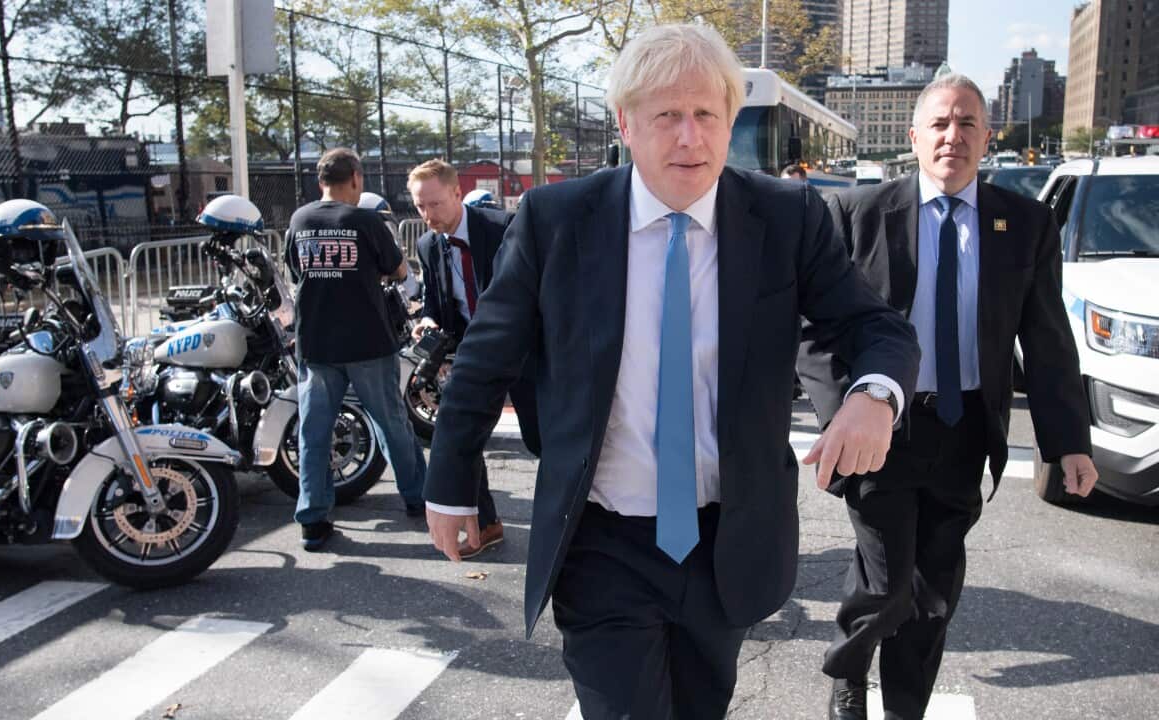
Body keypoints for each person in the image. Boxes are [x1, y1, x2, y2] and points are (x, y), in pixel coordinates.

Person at [422, 24, 920, 719]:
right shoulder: (557, 219)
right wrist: (449, 486)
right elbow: (486, 356)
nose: (690, 138)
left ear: (728, 120)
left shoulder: (785, 217)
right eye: (666, 117)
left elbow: (876, 327)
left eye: (706, 115)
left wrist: (874, 395)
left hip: (728, 540)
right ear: (625, 124)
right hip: (601, 543)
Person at [796, 74, 1098, 720]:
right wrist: (841, 414)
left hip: (964, 434)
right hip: (884, 431)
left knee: (934, 594)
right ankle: (847, 673)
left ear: (987, 138)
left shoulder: (1025, 226)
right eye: (939, 124)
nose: (952, 136)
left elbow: (1047, 342)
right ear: (913, 138)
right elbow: (814, 330)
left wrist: (1068, 443)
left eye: (966, 124)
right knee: (885, 582)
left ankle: (906, 708)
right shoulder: (859, 215)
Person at [286, 148, 426, 551]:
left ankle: (312, 520)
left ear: (321, 182)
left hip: (316, 343)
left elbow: (296, 271)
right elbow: (398, 269)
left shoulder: (300, 220)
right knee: (390, 422)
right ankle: (418, 498)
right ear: (357, 179)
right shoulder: (365, 221)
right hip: (368, 340)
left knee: (313, 432)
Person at [407, 159, 542, 559]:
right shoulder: (427, 245)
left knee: (544, 439)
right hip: (473, 354)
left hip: (526, 350)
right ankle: (484, 524)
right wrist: (428, 321)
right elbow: (435, 299)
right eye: (419, 207)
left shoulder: (503, 228)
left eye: (434, 204)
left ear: (456, 193)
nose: (427, 215)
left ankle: (572, 524)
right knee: (461, 435)